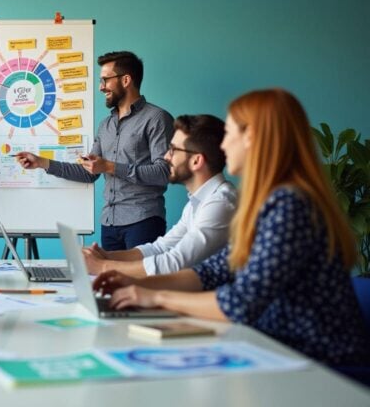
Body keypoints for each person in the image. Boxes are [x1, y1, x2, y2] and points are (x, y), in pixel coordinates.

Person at [94, 88, 370, 366]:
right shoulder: (268, 201)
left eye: (230, 134)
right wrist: (136, 283)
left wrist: (154, 296)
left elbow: (240, 302)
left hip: (321, 366)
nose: (223, 147)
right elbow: (212, 272)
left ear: (251, 137)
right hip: (284, 352)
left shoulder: (290, 203)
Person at [16, 51, 173, 251]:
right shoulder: (105, 125)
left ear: (126, 80)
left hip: (143, 221)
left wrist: (110, 166)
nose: (101, 87)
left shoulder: (156, 118)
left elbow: (163, 173)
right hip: (109, 224)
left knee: (139, 282)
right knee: (109, 282)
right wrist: (42, 162)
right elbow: (89, 172)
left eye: (105, 80)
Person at [83, 114, 237, 278]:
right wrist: (105, 256)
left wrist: (102, 266)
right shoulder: (197, 202)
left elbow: (174, 262)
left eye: (173, 150)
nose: (165, 157)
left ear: (196, 161)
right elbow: (160, 248)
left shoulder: (220, 203)